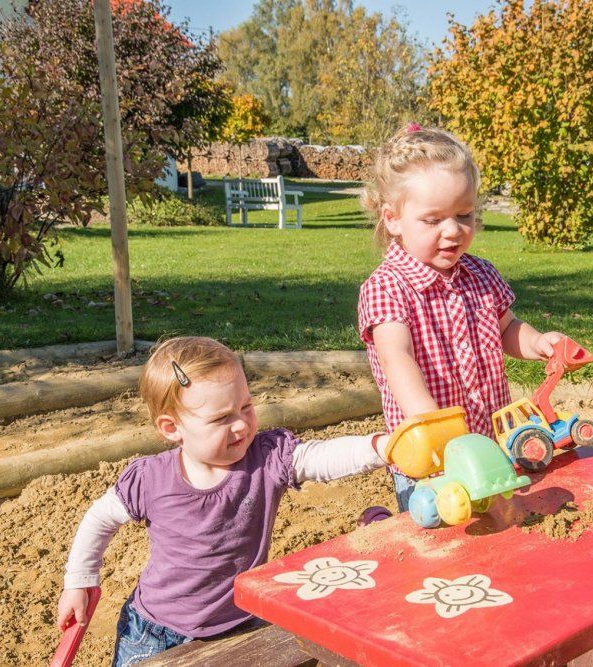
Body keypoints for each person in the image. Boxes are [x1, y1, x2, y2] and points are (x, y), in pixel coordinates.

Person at [55, 336, 389, 666]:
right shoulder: (152, 478)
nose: (242, 424)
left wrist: (379, 447)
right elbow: (100, 517)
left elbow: (319, 457)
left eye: (246, 406)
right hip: (155, 632)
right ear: (172, 428)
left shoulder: (266, 458)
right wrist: (80, 580)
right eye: (221, 418)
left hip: (240, 622)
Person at [358, 123, 565, 512]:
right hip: (432, 459)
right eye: (433, 220)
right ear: (393, 219)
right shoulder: (387, 287)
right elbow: (396, 359)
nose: (453, 231)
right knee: (441, 531)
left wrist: (537, 342)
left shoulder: (481, 274)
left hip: (489, 441)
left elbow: (507, 328)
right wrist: (434, 426)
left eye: (464, 214)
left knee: (498, 521)